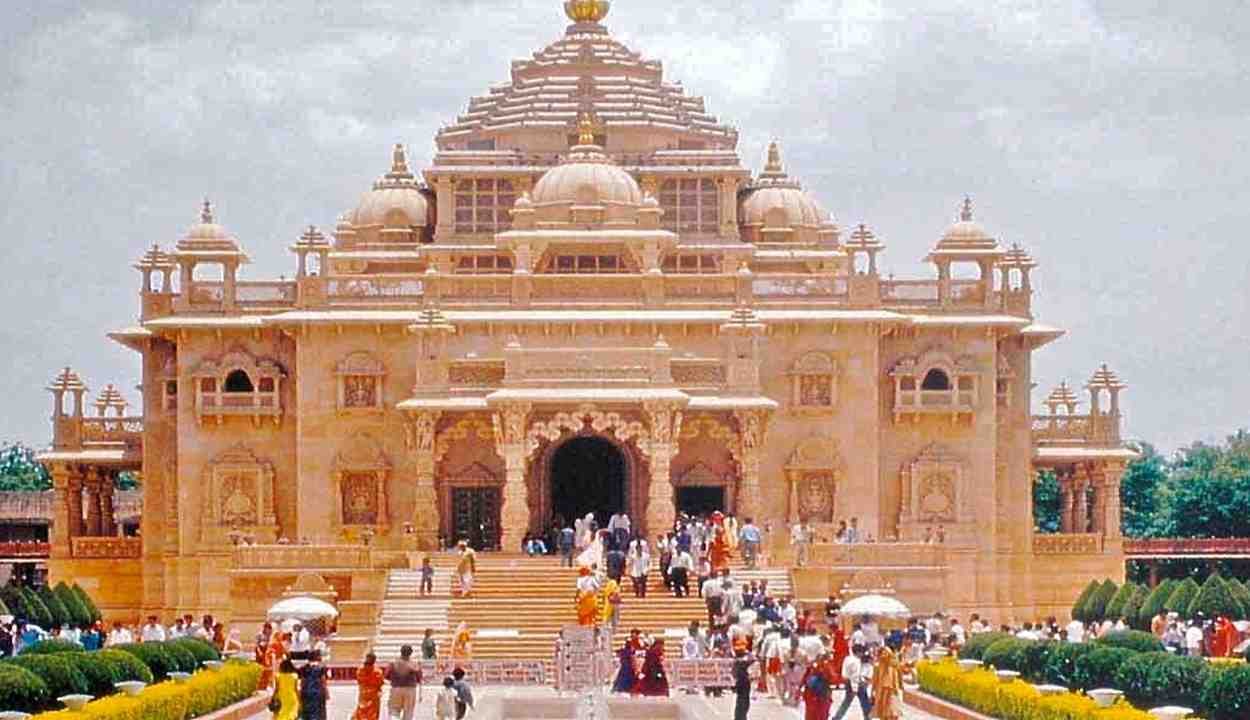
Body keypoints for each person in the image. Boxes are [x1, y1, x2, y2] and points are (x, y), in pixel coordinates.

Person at [385, 644, 421, 720]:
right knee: (408, 712)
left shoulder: (393, 663)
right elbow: (419, 678)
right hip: (410, 690)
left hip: (396, 689)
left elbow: (386, 675)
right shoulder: (414, 664)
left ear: (401, 652)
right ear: (411, 653)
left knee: (394, 710)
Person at [802, 650, 840, 720]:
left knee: (810, 715)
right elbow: (834, 679)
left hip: (811, 695)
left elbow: (804, 680)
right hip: (823, 696)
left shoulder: (812, 666)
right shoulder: (827, 666)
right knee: (822, 715)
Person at [350, 653, 386, 720]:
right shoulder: (378, 672)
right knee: (372, 715)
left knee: (361, 713)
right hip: (374, 696)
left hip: (363, 694)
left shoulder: (360, 670)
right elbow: (380, 683)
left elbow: (359, 681)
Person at [871, 646, 904, 720]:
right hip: (882, 692)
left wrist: (901, 687)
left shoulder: (895, 665)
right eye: (883, 653)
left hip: (893, 691)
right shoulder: (878, 666)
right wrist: (872, 692)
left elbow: (899, 677)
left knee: (893, 713)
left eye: (886, 653)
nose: (884, 655)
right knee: (883, 713)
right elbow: (874, 680)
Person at [297, 650, 329, 720]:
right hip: (318, 693)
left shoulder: (304, 668)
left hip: (306, 692)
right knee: (319, 713)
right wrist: (326, 693)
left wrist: (300, 693)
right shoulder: (321, 668)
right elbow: (323, 681)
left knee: (306, 712)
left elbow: (302, 681)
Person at [732, 647, 754, 720]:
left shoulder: (740, 662)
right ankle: (740, 717)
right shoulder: (739, 662)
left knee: (744, 702)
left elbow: (752, 659)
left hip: (744, 683)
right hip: (742, 683)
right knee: (742, 702)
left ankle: (741, 716)